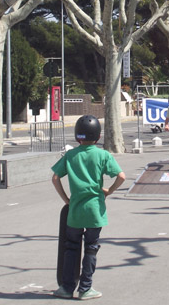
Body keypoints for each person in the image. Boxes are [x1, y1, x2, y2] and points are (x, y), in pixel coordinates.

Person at [52, 115, 126, 300]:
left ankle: (67, 287)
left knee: (71, 247)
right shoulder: (102, 155)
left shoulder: (70, 155)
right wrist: (108, 191)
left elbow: (55, 177)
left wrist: (66, 199)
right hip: (94, 209)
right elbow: (122, 176)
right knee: (91, 248)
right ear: (99, 136)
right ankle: (85, 288)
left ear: (78, 136)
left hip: (75, 209)